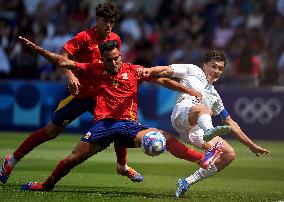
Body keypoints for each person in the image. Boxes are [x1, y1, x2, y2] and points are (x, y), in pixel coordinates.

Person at [17, 37, 224, 192]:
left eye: (116, 58)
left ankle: (203, 159)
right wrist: (38, 50)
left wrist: (189, 91)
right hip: (104, 126)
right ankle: (46, 185)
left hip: (129, 126)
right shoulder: (96, 69)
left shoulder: (133, 70)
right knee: (72, 159)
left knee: (166, 138)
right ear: (103, 59)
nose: (114, 63)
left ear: (120, 56)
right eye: (109, 60)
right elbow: (64, 62)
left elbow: (161, 80)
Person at [0, 3, 144, 184]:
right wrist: (70, 77)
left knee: (118, 125)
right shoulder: (83, 37)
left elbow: (113, 66)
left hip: (100, 97)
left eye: (112, 21)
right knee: (51, 132)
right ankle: (11, 159)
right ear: (97, 19)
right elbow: (63, 57)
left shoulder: (115, 38)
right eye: (105, 20)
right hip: (78, 94)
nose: (108, 25)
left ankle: (122, 167)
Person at [139, 49, 269, 197]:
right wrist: (150, 69)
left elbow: (230, 122)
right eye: (213, 66)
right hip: (181, 114)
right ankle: (209, 134)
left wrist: (251, 145)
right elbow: (167, 70)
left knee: (229, 154)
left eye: (220, 68)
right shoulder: (193, 70)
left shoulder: (215, 96)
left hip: (192, 131)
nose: (216, 71)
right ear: (205, 65)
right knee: (205, 110)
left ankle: (186, 182)